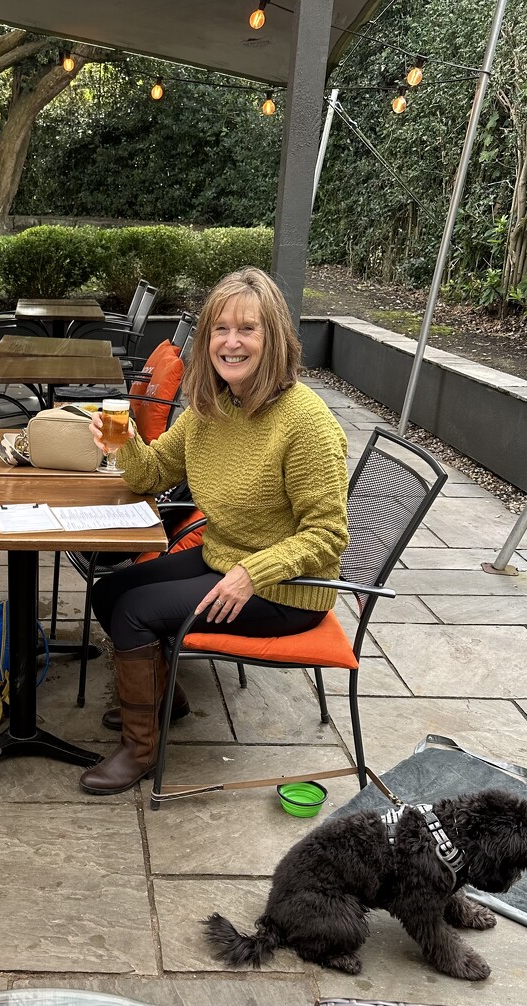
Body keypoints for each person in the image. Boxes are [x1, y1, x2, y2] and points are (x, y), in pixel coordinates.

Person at [81, 267, 349, 795]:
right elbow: (154, 473)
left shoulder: (305, 422)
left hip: (286, 589)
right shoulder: (212, 407)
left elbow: (328, 535)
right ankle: (165, 695)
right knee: (109, 590)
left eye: (247, 329)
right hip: (224, 555)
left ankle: (141, 748)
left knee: (135, 613)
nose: (231, 342)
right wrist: (125, 441)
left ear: (274, 338)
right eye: (220, 329)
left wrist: (253, 572)